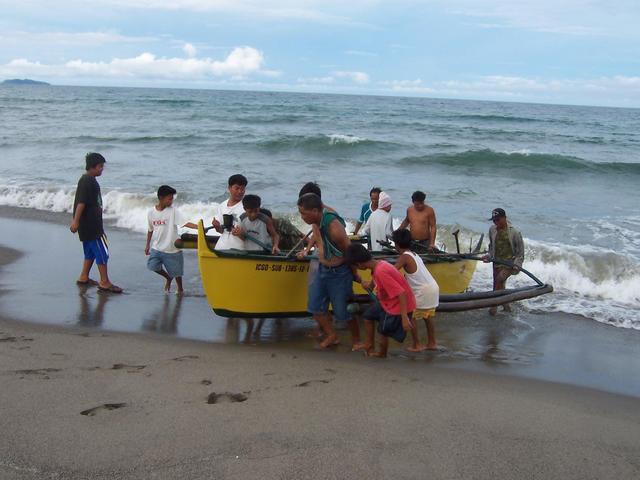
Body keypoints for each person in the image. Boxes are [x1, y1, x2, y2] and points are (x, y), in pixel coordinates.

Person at [297, 193, 362, 349]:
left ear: (314, 211)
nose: (302, 217)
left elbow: (349, 252)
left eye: (303, 213)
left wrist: (355, 275)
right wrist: (306, 250)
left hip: (339, 273)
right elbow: (316, 234)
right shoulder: (316, 222)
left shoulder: (334, 228)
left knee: (344, 312)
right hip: (321, 269)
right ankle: (332, 335)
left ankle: (357, 340)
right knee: (314, 307)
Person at [345, 243, 415, 358]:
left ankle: (382, 354)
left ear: (359, 264)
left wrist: (404, 318)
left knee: (382, 331)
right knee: (368, 316)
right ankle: (369, 344)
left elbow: (401, 293)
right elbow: (375, 279)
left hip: (397, 306)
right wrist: (370, 285)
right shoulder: (378, 264)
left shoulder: (380, 271)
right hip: (386, 302)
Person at [70, 152, 122, 293]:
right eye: (100, 166)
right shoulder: (88, 181)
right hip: (92, 226)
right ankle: (104, 282)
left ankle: (83, 277)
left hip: (86, 225)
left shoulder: (87, 180)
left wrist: (78, 221)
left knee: (90, 252)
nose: (102, 169)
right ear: (92, 167)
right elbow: (81, 202)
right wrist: (75, 221)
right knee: (102, 252)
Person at [145, 185, 198, 294]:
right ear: (161, 198)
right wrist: (147, 245)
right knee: (153, 266)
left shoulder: (173, 211)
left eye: (172, 198)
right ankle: (168, 278)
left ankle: (180, 289)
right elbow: (150, 230)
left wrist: (198, 227)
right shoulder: (151, 213)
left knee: (177, 273)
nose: (172, 201)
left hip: (172, 248)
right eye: (169, 198)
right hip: (157, 247)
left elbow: (185, 222)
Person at [392, 229, 439, 350]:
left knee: (411, 315)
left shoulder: (404, 257)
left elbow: (391, 271)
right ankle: (432, 342)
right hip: (432, 287)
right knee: (427, 316)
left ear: (396, 244)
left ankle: (416, 344)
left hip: (423, 291)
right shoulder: (414, 254)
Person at [483, 208, 525, 315]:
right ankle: (506, 307)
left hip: (509, 264)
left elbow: (520, 253)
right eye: (494, 220)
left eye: (498, 220)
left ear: (504, 218)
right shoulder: (492, 230)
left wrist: (517, 264)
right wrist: (489, 256)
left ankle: (493, 307)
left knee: (499, 280)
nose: (496, 223)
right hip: (496, 262)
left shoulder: (514, 233)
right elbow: (492, 246)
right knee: (498, 285)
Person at [211, 174, 247, 250]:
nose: (240, 192)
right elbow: (222, 231)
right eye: (237, 188)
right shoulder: (222, 206)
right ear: (229, 188)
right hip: (221, 248)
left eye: (243, 189)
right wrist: (217, 227)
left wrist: (241, 234)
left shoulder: (248, 207)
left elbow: (254, 234)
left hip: (239, 251)